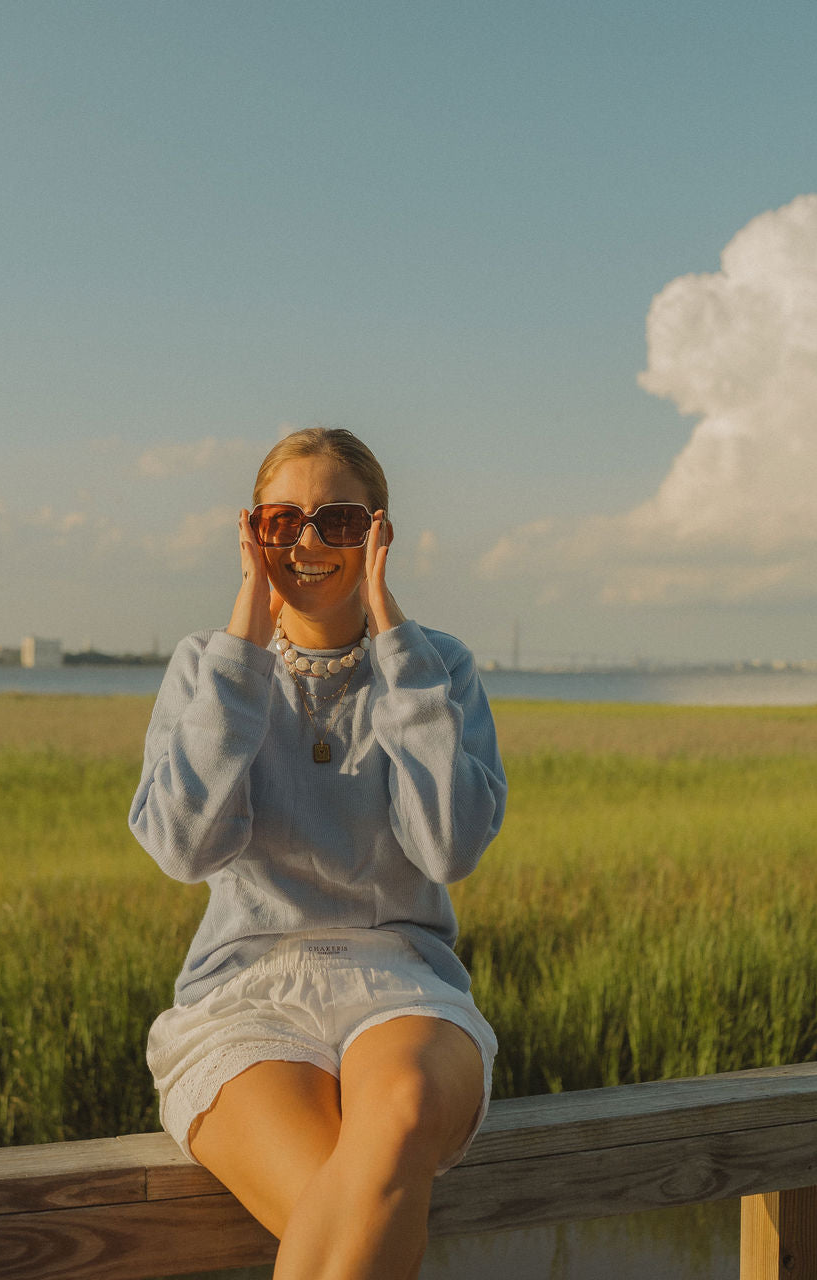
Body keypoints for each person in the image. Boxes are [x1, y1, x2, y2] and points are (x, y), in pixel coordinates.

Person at [129, 428, 507, 1280]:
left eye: (338, 521)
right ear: (251, 532)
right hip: (247, 993)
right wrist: (241, 653)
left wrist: (398, 651)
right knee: (348, 1226)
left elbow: (448, 846)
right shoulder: (206, 665)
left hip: (404, 982)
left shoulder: (437, 664)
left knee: (400, 1115)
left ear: (377, 533)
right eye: (282, 520)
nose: (307, 541)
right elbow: (186, 847)